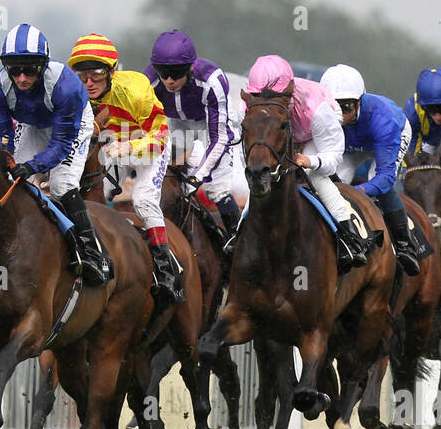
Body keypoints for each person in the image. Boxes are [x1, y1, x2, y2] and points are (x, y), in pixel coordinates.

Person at [0, 23, 110, 286]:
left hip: (71, 125)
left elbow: (62, 144)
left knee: (61, 185)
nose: (21, 78)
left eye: (29, 70)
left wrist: (32, 165)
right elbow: (3, 132)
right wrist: (4, 155)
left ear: (43, 65)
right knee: (18, 186)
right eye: (14, 70)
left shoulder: (66, 86)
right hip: (33, 123)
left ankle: (92, 252)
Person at [70, 33, 182, 302]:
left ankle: (167, 269)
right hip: (113, 147)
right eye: (81, 75)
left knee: (143, 200)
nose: (89, 82)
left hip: (149, 143)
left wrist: (130, 147)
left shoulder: (135, 88)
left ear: (111, 71)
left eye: (96, 73)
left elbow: (161, 135)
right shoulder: (76, 97)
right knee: (88, 196)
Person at [242, 55, 373, 272]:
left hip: (312, 134)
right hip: (282, 135)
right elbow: (246, 154)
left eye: (275, 97)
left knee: (315, 176)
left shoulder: (318, 110)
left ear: (290, 91)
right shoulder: (248, 111)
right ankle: (238, 234)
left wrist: (310, 161)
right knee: (258, 178)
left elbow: (333, 160)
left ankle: (350, 236)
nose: (266, 104)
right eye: (258, 96)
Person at [321, 64, 420, 275]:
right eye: (333, 108)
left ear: (359, 102)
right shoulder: (322, 114)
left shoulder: (383, 119)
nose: (340, 116)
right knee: (334, 183)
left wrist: (358, 193)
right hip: (351, 145)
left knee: (374, 178)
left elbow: (385, 177)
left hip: (388, 136)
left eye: (346, 107)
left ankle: (405, 244)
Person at [144, 29, 243, 236]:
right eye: (163, 72)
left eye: (177, 73)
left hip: (212, 125)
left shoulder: (212, 80)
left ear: (191, 67)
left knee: (215, 189)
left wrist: (198, 177)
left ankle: (237, 240)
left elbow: (219, 138)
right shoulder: (148, 81)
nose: (169, 80)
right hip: (177, 122)